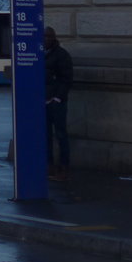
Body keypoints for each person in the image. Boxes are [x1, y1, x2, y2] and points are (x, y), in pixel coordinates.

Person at [44, 26, 74, 181]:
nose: (46, 39)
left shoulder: (62, 55)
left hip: (56, 101)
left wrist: (58, 98)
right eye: (44, 37)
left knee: (61, 134)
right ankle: (49, 165)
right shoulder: (40, 54)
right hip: (44, 100)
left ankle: (63, 167)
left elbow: (66, 79)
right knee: (46, 135)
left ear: (54, 38)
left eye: (48, 36)